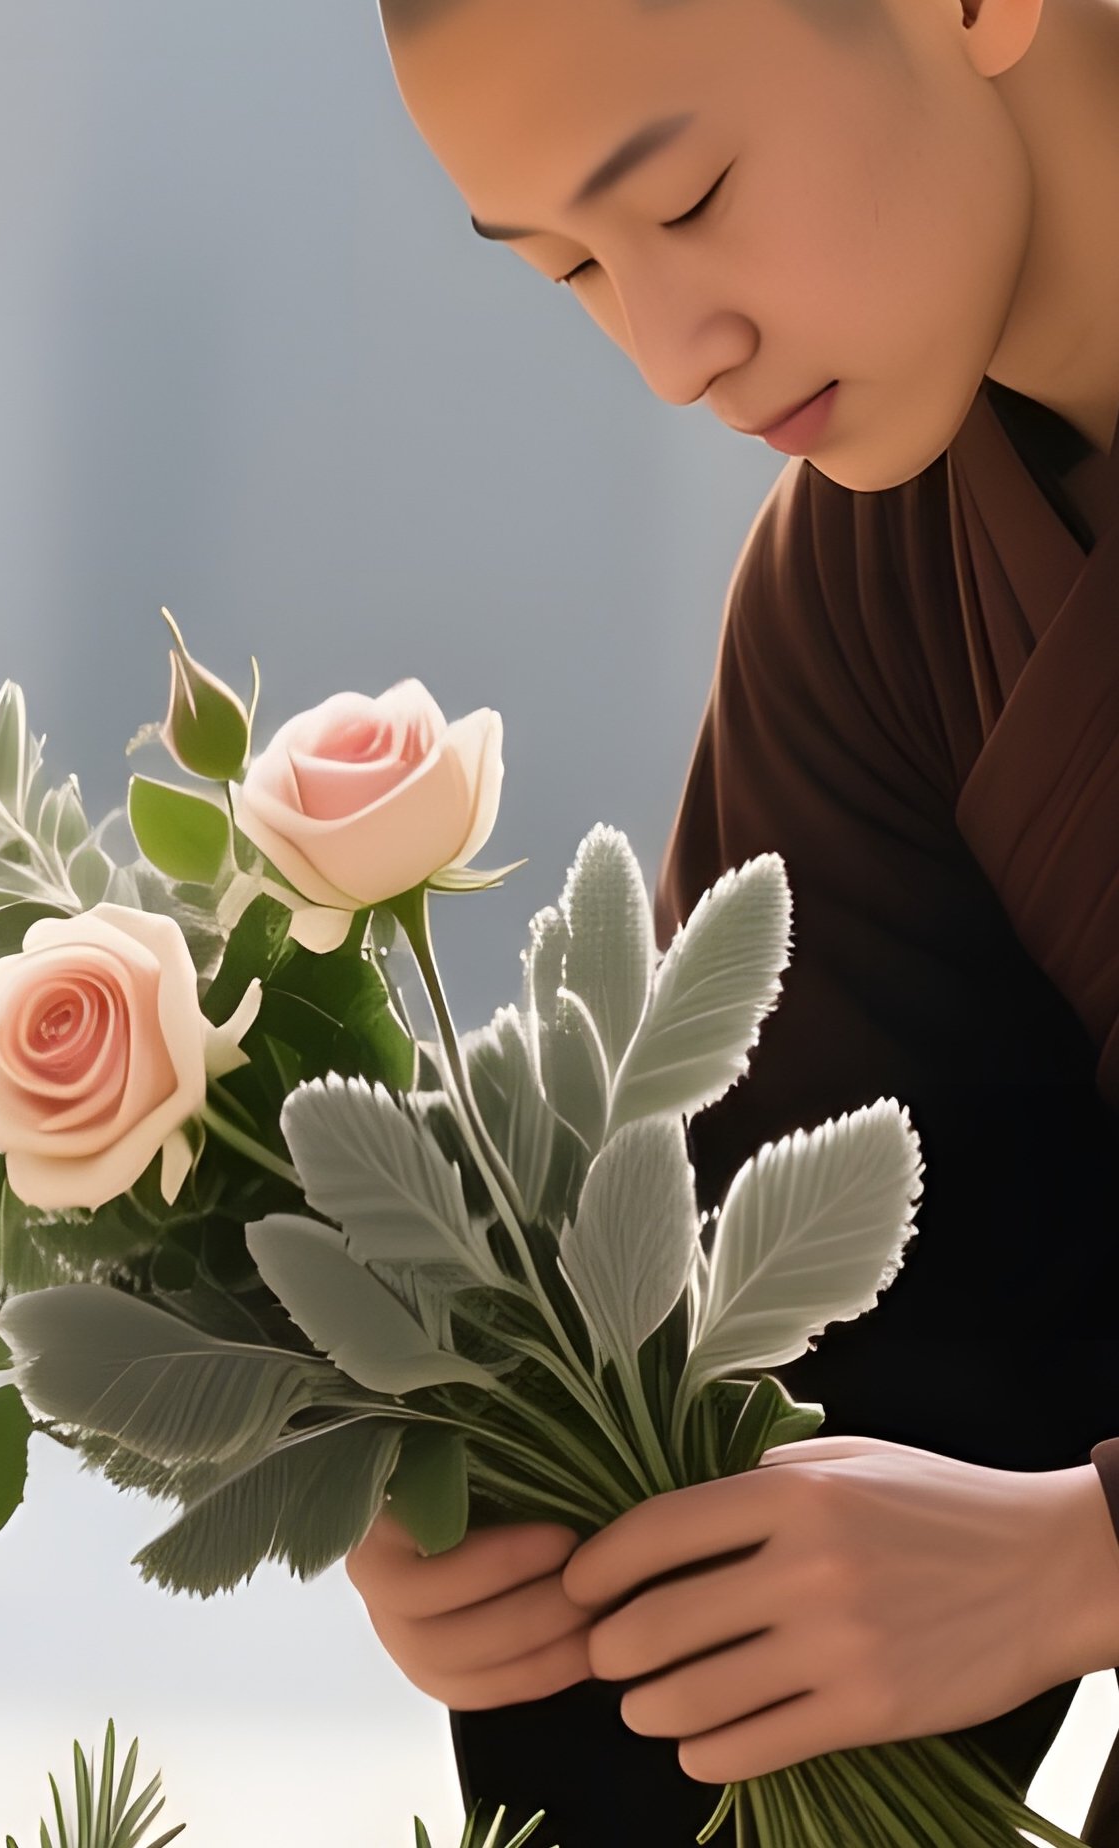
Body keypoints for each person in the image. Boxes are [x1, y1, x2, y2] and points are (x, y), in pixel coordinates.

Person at [344, 0, 1119, 1840]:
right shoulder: (866, 586)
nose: (672, 353)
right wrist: (522, 1488)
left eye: (688, 198)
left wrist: (1082, 1567)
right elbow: (822, 1321)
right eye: (574, 272)